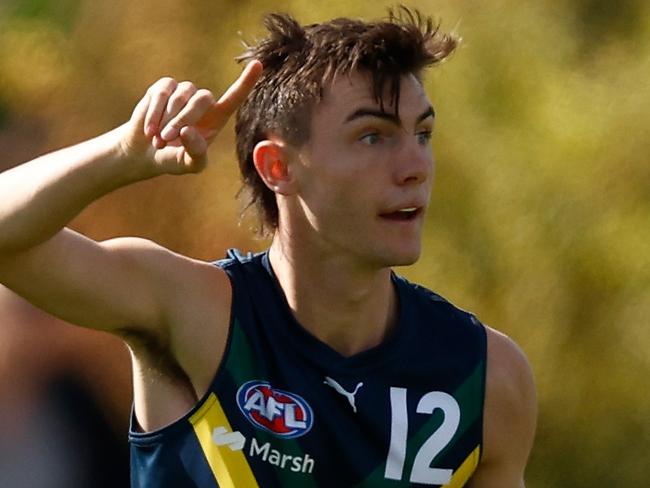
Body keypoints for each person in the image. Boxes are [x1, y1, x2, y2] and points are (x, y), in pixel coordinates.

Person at [0, 7, 536, 487]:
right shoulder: (192, 313)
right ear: (277, 167)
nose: (415, 166)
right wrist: (122, 152)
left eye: (422, 134)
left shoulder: (486, 378)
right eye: (373, 136)